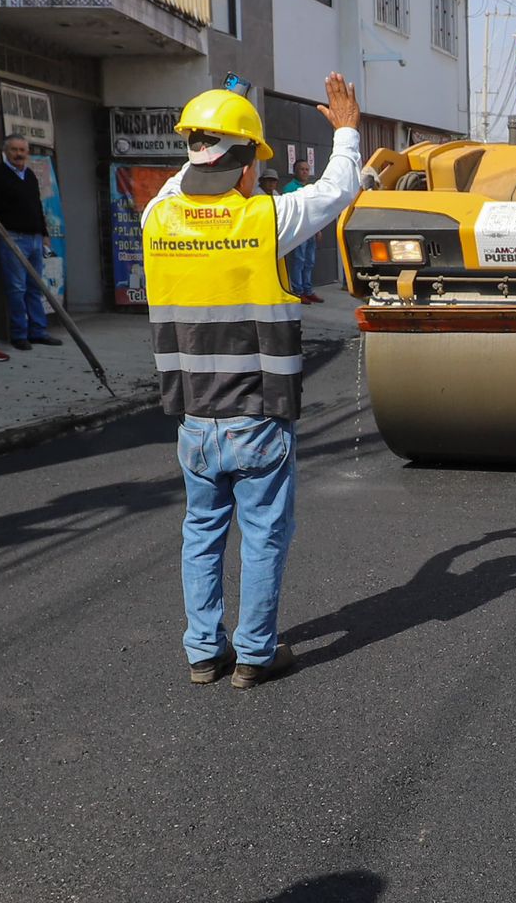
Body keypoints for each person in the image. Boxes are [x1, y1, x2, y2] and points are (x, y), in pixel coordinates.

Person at [142, 73, 361, 689]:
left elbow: (181, 180)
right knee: (263, 536)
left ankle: (203, 653)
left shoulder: (157, 219)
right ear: (244, 166)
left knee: (201, 533)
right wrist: (347, 129)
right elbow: (338, 188)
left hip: (194, 418)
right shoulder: (268, 218)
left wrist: (210, 129)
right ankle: (255, 654)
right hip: (258, 416)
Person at [0, 134, 61, 351]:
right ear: (5, 152)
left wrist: (44, 233)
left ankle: (38, 332)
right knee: (17, 288)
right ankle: (19, 334)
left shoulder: (29, 175)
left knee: (35, 286)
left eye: (22, 150)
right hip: (12, 238)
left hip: (35, 238)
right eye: (14, 150)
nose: (19, 154)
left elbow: (37, 205)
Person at [283, 161, 322, 304]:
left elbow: (314, 210)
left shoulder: (310, 189)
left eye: (307, 169)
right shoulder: (289, 188)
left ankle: (308, 290)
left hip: (310, 229)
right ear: (295, 171)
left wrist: (318, 229)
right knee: (298, 261)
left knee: (309, 262)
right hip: (298, 230)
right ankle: (298, 292)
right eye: (302, 169)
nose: (305, 172)